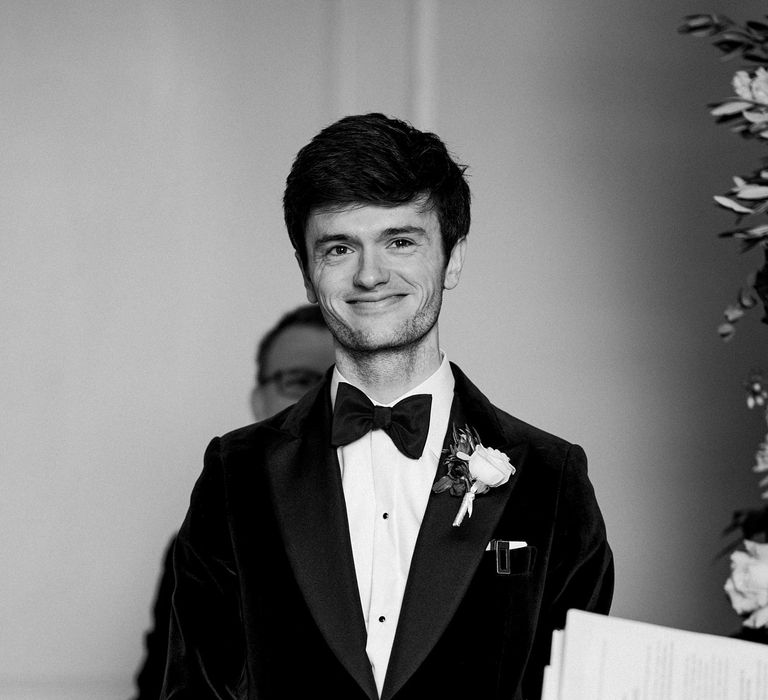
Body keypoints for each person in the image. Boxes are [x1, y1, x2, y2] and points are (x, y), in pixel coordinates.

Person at [161, 113, 613, 700]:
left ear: (452, 259)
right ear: (307, 273)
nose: (370, 274)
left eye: (400, 241)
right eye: (340, 247)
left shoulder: (551, 477)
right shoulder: (234, 472)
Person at [131, 304, 334, 700]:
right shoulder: (196, 546)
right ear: (259, 401)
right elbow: (159, 688)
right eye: (298, 380)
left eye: (334, 382)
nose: (315, 401)